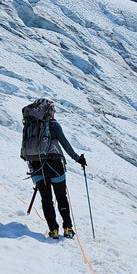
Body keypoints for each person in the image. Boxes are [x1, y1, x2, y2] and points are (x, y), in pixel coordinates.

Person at [21, 98, 87, 239]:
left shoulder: (29, 125)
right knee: (61, 197)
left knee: (46, 199)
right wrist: (77, 158)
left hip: (36, 166)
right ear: (48, 110)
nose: (54, 112)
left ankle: (53, 230)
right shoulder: (53, 125)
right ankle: (68, 228)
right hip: (55, 165)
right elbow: (65, 144)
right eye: (53, 109)